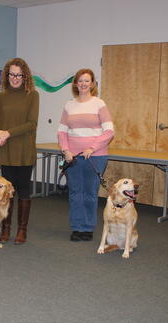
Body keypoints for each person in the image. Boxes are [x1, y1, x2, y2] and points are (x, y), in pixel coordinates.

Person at [57, 68, 114, 241]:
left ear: (92, 84)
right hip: (73, 157)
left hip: (95, 157)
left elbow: (109, 131)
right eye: (80, 81)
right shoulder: (69, 105)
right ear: (76, 84)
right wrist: (66, 150)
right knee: (75, 193)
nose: (83, 84)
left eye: (87, 81)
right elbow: (62, 132)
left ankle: (88, 228)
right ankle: (77, 227)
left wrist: (92, 148)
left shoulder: (99, 104)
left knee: (89, 192)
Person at [0, 57, 39, 244]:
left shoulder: (32, 95)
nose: (15, 78)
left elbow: (32, 124)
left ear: (25, 76)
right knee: (5, 193)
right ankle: (6, 229)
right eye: (12, 74)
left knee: (23, 191)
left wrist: (8, 133)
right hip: (7, 151)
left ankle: (22, 230)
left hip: (24, 151)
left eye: (19, 75)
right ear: (6, 75)